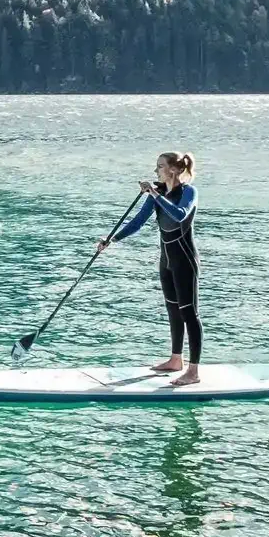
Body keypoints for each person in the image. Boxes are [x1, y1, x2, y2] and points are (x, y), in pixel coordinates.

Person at [98, 152, 200, 383]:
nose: (156, 172)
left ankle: (193, 371)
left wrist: (154, 193)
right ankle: (176, 360)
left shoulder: (188, 193)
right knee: (173, 309)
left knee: (189, 313)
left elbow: (180, 216)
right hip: (166, 260)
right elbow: (137, 222)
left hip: (185, 260)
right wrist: (112, 239)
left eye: (160, 167)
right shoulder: (158, 194)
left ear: (173, 170)